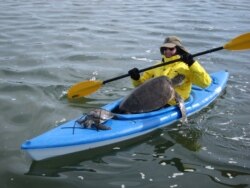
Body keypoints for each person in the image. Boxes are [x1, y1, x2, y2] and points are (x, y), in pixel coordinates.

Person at [128, 36, 212, 105]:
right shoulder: (157, 65)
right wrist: (136, 78)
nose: (167, 51)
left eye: (171, 49)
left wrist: (192, 63)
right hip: (154, 101)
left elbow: (205, 83)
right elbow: (140, 87)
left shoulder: (186, 67)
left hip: (174, 103)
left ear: (178, 49)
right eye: (165, 49)